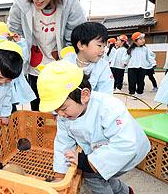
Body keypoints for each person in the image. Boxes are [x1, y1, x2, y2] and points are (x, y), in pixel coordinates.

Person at [36, 60, 150, 194]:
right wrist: (60, 176)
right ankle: (124, 191)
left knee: (92, 177)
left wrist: (89, 161)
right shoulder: (65, 116)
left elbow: (127, 143)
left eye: (63, 108)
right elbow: (63, 143)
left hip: (129, 152)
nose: (60, 114)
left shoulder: (108, 108)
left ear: (84, 95)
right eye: (56, 110)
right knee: (101, 174)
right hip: (101, 152)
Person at [7, 0, 86, 111]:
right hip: (36, 68)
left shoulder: (69, 3)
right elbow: (13, 33)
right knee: (39, 108)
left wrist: (67, 66)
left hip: (62, 69)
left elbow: (75, 39)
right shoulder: (21, 4)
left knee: (64, 109)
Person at [0, 22, 36, 111]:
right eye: (3, 39)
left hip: (11, 93)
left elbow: (22, 59)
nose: (6, 43)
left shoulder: (10, 52)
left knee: (10, 111)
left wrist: (19, 43)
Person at [61, 22, 114, 95]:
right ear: (81, 45)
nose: (102, 50)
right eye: (99, 45)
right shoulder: (66, 63)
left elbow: (106, 94)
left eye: (104, 46)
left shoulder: (103, 66)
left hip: (93, 105)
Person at [124, 32, 156, 99]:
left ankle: (139, 93)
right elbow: (127, 57)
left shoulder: (145, 49)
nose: (143, 40)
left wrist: (153, 63)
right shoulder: (131, 49)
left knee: (141, 81)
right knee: (132, 81)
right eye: (140, 39)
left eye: (143, 39)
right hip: (132, 67)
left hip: (142, 67)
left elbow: (149, 57)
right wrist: (125, 63)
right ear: (135, 41)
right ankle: (132, 94)